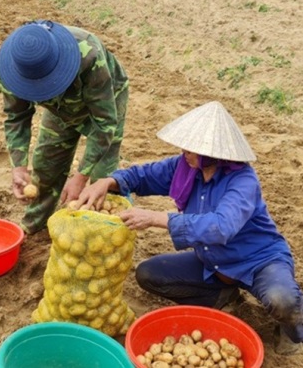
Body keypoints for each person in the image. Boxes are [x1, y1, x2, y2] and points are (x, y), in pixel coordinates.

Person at [75, 101, 303, 355]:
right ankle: (222, 295)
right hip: (213, 262)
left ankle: (292, 334)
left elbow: (220, 227)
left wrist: (156, 218)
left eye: (192, 148)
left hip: (259, 261)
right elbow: (144, 175)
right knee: (149, 274)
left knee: (283, 301)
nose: (184, 151)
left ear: (212, 153)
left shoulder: (243, 181)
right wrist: (108, 182)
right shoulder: (186, 167)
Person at [0, 20, 128, 234]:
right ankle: (34, 226)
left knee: (103, 175)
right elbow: (16, 116)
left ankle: (110, 229)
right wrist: (18, 166)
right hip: (58, 107)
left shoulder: (89, 56)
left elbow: (105, 125)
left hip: (105, 97)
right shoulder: (13, 66)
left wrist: (80, 177)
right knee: (46, 163)